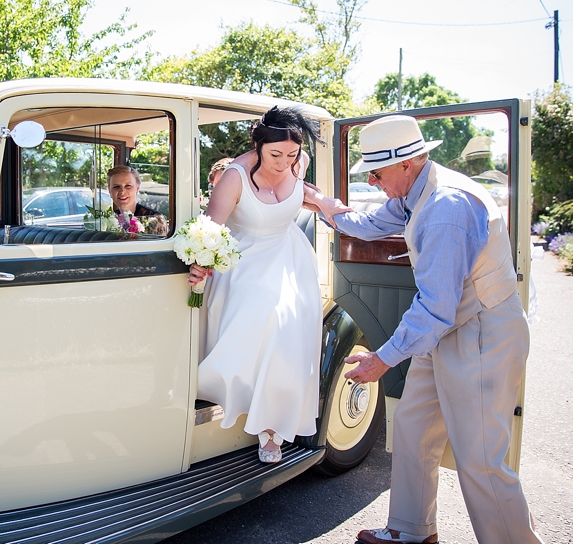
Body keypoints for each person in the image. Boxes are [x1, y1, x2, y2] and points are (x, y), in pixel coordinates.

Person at [307, 115, 543, 544]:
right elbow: (371, 226)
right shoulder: (416, 190)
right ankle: (411, 530)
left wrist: (382, 358)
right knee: (413, 426)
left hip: (482, 332)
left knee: (480, 458)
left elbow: (436, 307)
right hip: (449, 328)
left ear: (407, 163)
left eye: (376, 173)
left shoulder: (445, 209)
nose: (374, 182)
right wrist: (325, 204)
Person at [189, 106, 323, 464]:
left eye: (292, 155)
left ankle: (274, 427)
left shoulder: (299, 161)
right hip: (244, 259)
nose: (284, 163)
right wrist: (200, 262)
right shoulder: (234, 176)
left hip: (291, 257)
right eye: (275, 154)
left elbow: (301, 190)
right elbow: (211, 227)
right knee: (268, 315)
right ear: (258, 145)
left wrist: (323, 202)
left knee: (294, 326)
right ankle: (241, 397)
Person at [106, 165, 167, 234]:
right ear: (110, 191)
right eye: (116, 187)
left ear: (137, 188)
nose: (122, 191)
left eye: (128, 186)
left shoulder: (154, 219)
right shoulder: (107, 220)